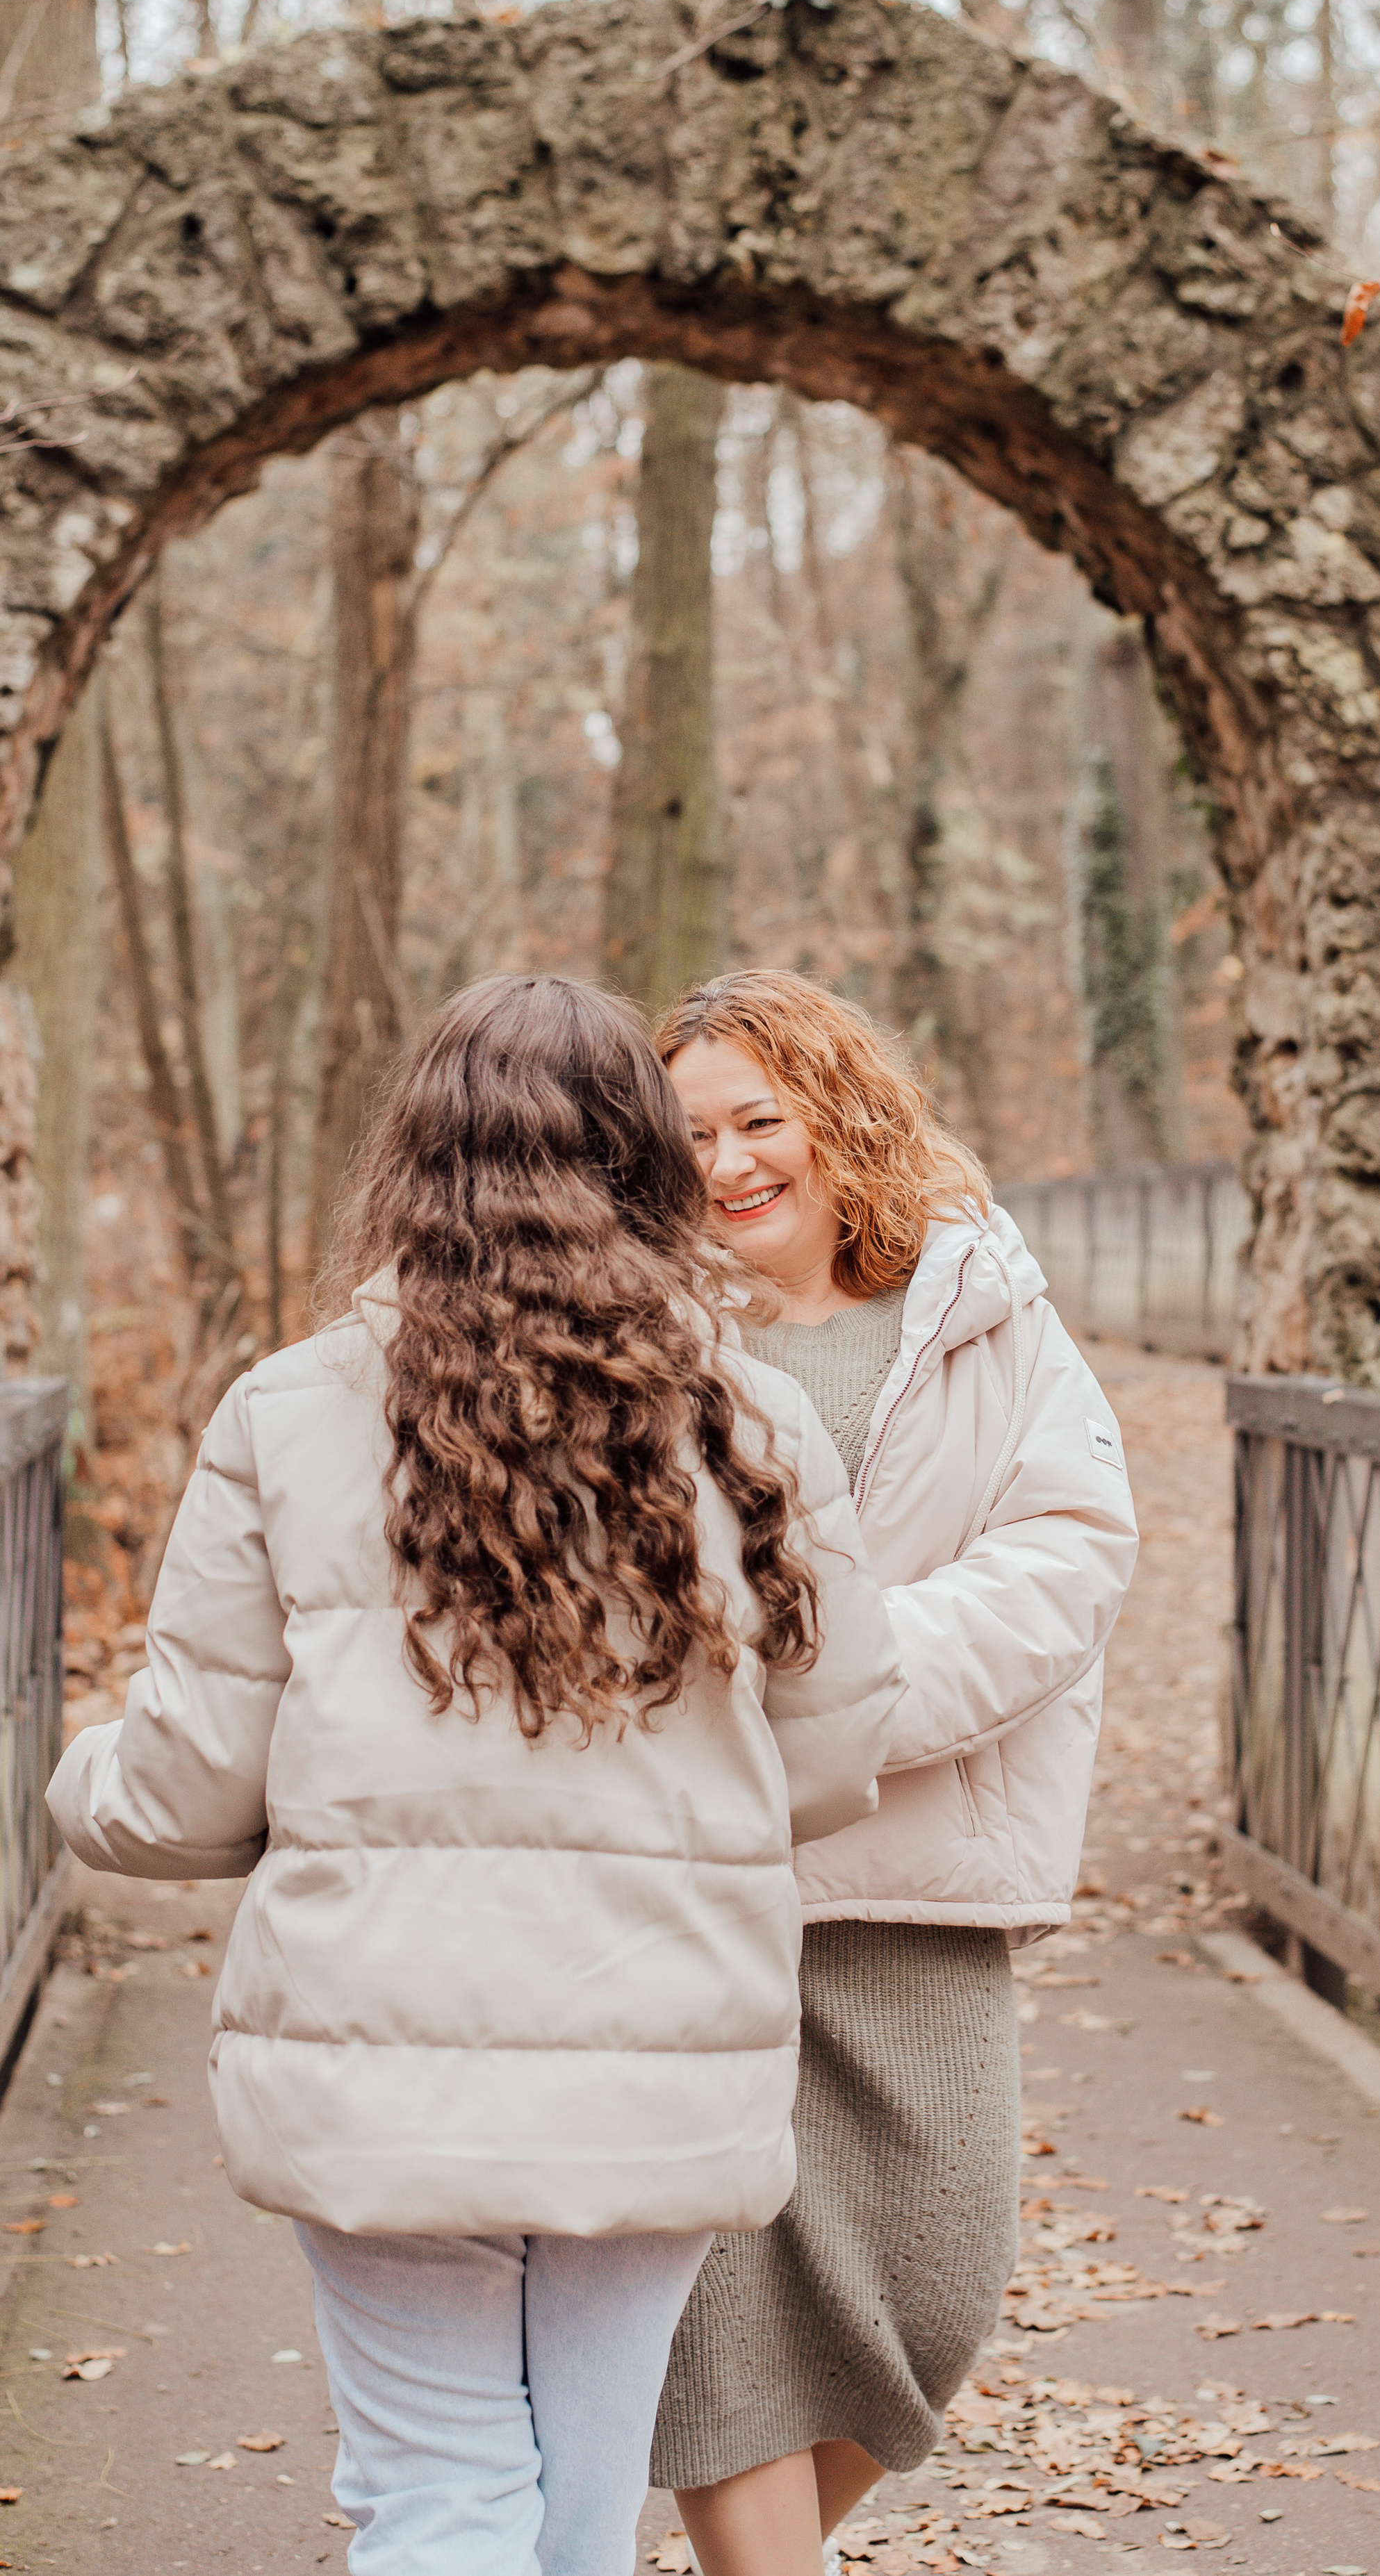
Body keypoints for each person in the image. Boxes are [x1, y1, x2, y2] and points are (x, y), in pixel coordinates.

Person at [47, 974, 905, 2576]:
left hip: (383, 2047)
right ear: (647, 1166)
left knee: (438, 2498)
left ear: (415, 1166)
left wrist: (74, 1777)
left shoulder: (289, 1412)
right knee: (579, 2508)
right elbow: (839, 1745)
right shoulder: (753, 1422)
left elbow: (181, 1791)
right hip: (655, 2041)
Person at [652, 970, 1140, 2576]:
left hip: (918, 1889)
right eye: (690, 1136)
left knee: (934, 2297)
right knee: (722, 2311)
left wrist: (851, 1695)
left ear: (833, 1117)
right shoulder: (649, 1342)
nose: (725, 1165)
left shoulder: (980, 1310)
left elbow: (1064, 1556)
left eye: (755, 1121)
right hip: (706, 1895)